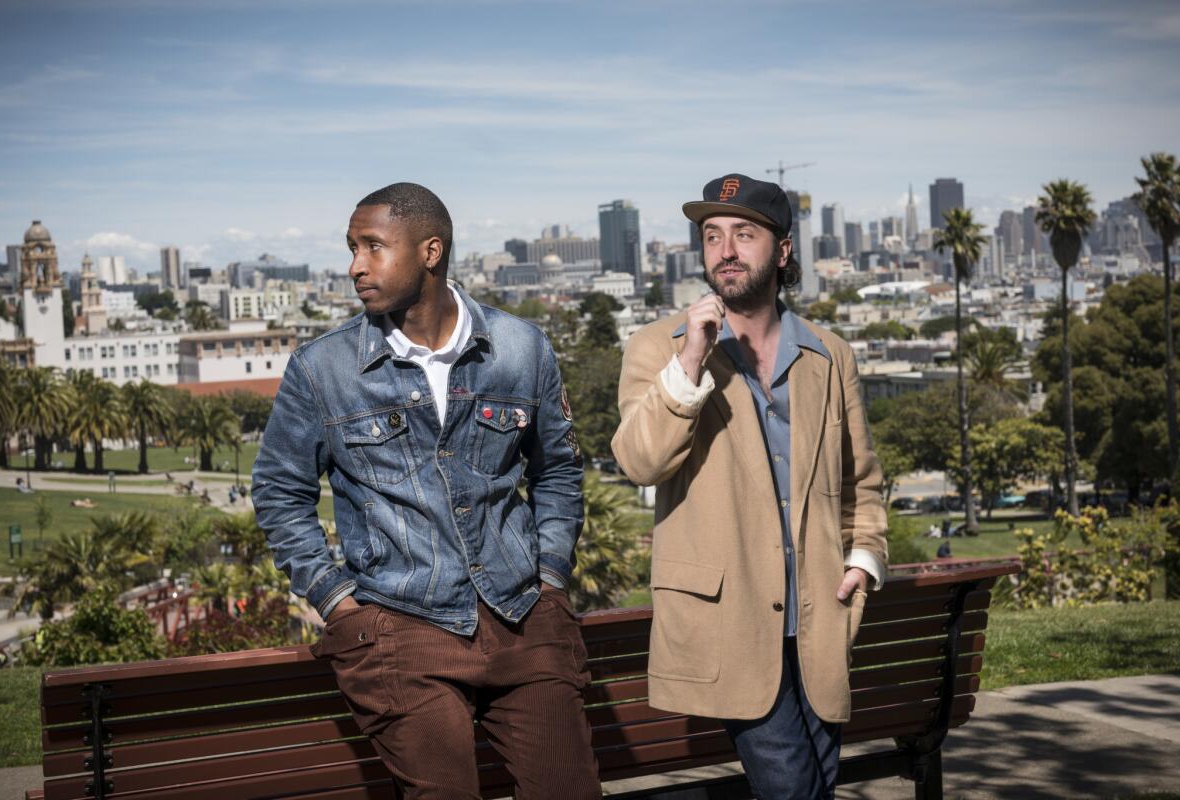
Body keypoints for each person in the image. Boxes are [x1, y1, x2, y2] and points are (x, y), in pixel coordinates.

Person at [252, 182, 599, 799]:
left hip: (522, 615)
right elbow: (280, 492)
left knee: (568, 791)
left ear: (430, 251)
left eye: (373, 247)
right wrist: (335, 599)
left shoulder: (521, 349)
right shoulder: (323, 369)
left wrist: (549, 576)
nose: (356, 265)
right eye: (351, 248)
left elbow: (559, 472)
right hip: (398, 625)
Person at [612, 173, 888, 799]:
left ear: (783, 251)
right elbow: (638, 461)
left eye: (744, 234)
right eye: (712, 236)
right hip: (727, 623)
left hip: (820, 620)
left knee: (813, 786)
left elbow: (861, 479)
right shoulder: (661, 347)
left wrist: (864, 559)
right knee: (794, 790)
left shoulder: (829, 355)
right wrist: (689, 366)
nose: (726, 249)